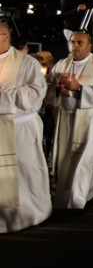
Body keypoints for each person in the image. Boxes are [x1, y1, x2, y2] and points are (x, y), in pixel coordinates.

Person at [43, 30, 93, 211]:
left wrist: (80, 89)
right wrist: (58, 89)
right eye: (72, 42)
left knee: (83, 160)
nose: (75, 46)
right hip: (65, 118)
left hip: (87, 119)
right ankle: (85, 191)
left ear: (90, 46)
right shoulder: (61, 64)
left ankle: (76, 201)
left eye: (80, 43)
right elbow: (47, 91)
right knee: (65, 160)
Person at [0, 20, 52, 233]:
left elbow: (35, 94)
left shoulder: (27, 62)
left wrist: (1, 98)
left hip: (20, 127)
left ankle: (33, 213)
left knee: (27, 170)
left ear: (5, 36)